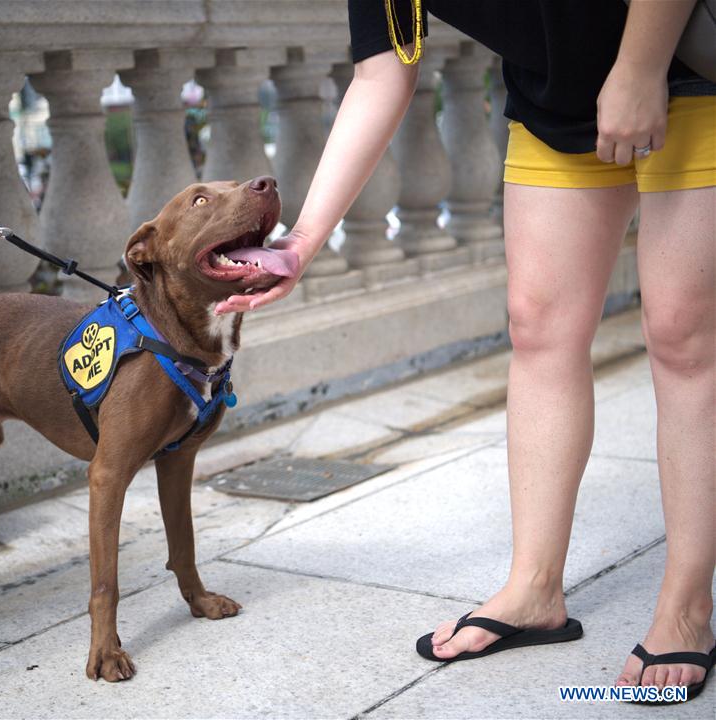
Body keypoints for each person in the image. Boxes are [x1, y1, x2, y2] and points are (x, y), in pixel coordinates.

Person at [216, 0, 716, 698]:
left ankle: (687, 608)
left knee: (683, 337)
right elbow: (379, 75)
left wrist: (637, 68)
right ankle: (534, 588)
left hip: (688, 65)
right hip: (554, 98)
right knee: (537, 327)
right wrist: (300, 241)